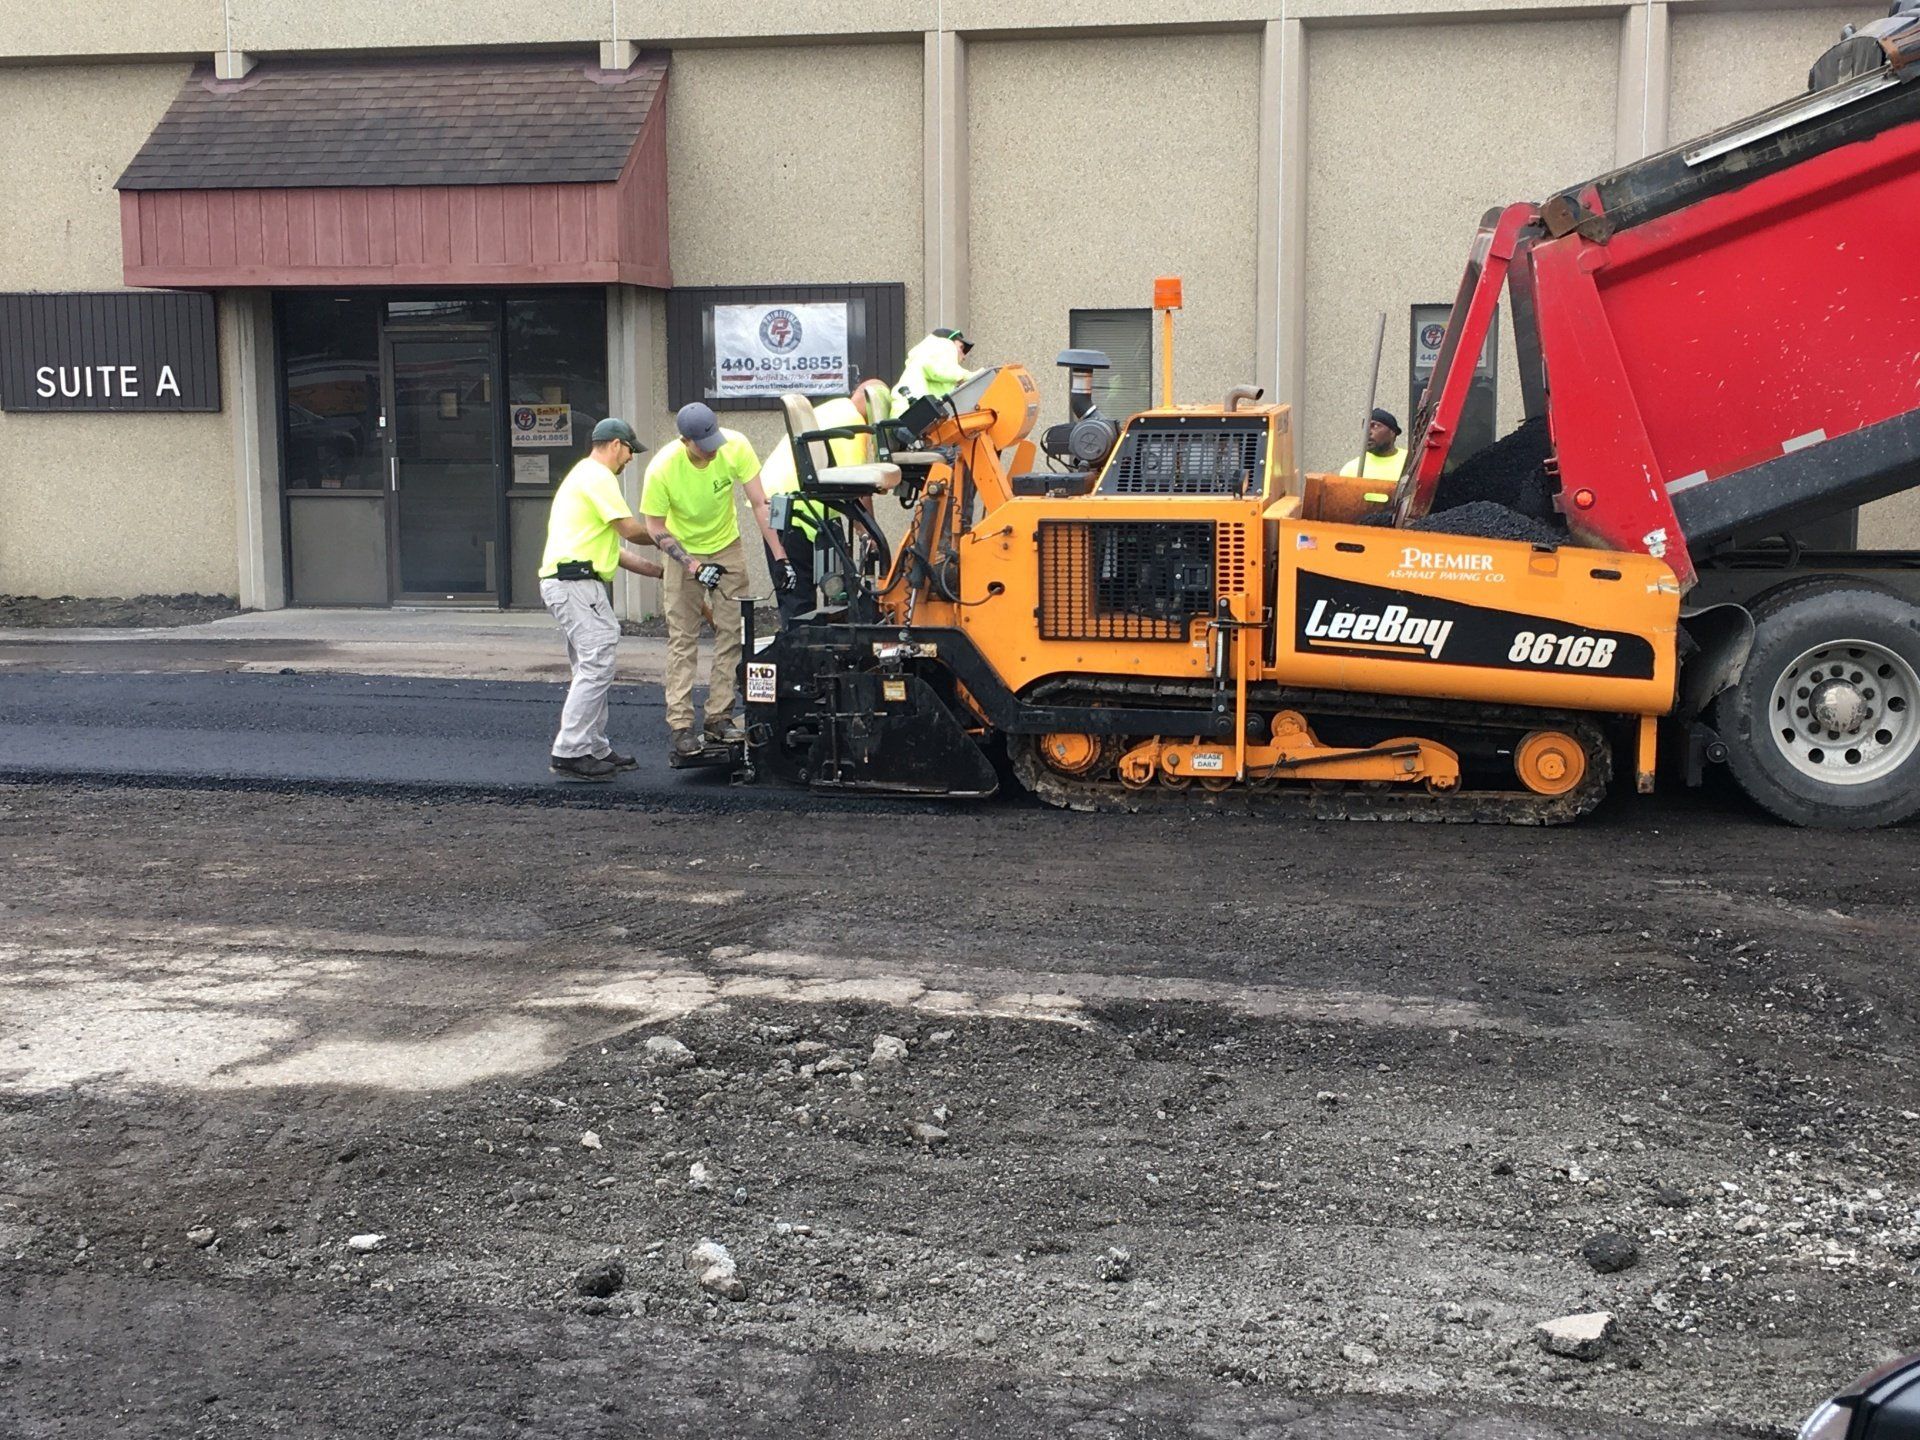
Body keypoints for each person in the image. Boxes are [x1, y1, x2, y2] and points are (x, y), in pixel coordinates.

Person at [642, 402, 797, 758]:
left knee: (732, 633)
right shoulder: (663, 468)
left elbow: (760, 504)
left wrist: (781, 557)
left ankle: (719, 716)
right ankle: (681, 725)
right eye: (704, 444)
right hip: (683, 552)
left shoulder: (735, 446)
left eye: (714, 439)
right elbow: (654, 527)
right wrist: (693, 565)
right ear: (685, 440)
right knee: (684, 639)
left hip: (727, 547)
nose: (712, 449)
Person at [538, 417, 663, 783]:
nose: (630, 460)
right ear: (615, 445)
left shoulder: (582, 477)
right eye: (629, 452)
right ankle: (571, 751)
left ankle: (592, 745)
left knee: (591, 665)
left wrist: (657, 572)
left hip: (575, 582)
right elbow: (631, 530)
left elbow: (614, 550)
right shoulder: (597, 476)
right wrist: (667, 536)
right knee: (597, 663)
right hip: (575, 584)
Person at [757, 377, 898, 623]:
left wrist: (864, 530)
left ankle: (819, 646)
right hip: (795, 510)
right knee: (800, 598)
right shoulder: (852, 426)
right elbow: (857, 485)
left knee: (834, 589)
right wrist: (869, 534)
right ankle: (802, 655)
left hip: (804, 507)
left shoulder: (835, 409)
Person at [890, 326, 977, 417]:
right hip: (910, 419)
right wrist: (972, 377)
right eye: (961, 348)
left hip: (913, 418)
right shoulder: (941, 348)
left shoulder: (926, 364)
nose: (964, 357)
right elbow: (941, 370)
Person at [1339, 408, 1408, 482]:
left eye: (1375, 426)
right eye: (1365, 428)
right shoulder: (1351, 469)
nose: (1368, 432)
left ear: (1392, 432)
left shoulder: (1410, 460)